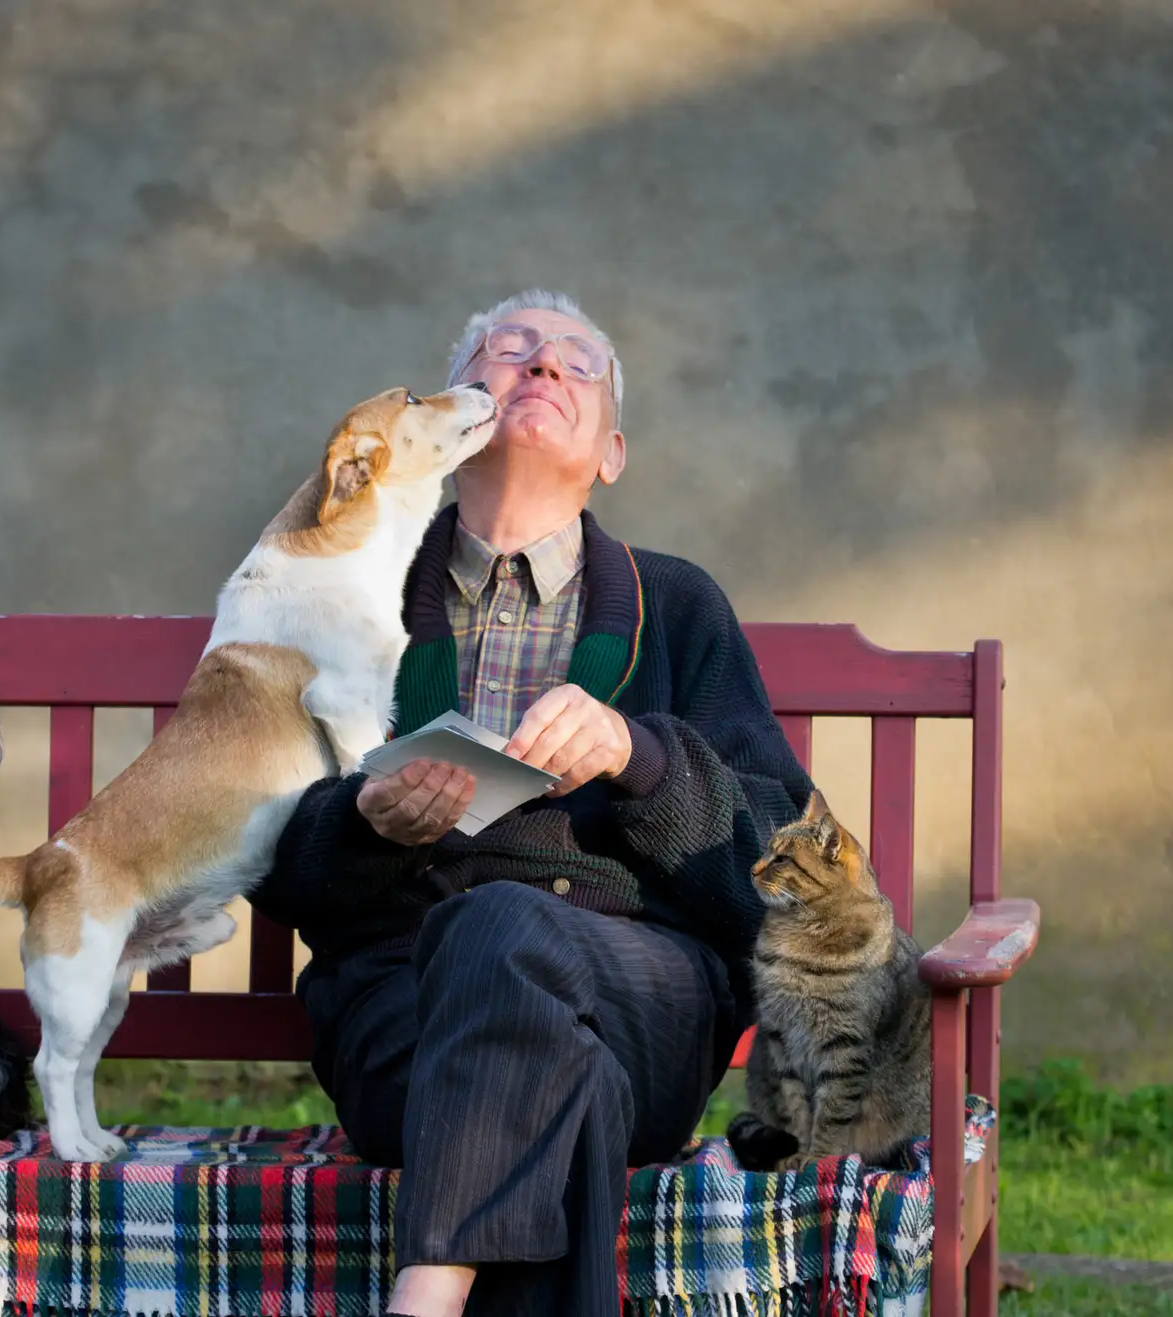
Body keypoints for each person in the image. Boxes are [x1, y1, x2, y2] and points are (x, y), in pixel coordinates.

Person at [250, 289, 814, 1317]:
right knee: (566, 1086)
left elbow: (784, 875)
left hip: (640, 997)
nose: (542, 367)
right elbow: (269, 863)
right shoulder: (343, 602)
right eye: (507, 353)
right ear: (453, 418)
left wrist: (639, 756)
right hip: (404, 1019)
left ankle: (423, 1296)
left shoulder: (677, 607)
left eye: (575, 364)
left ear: (610, 452)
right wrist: (366, 825)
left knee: (509, 932)